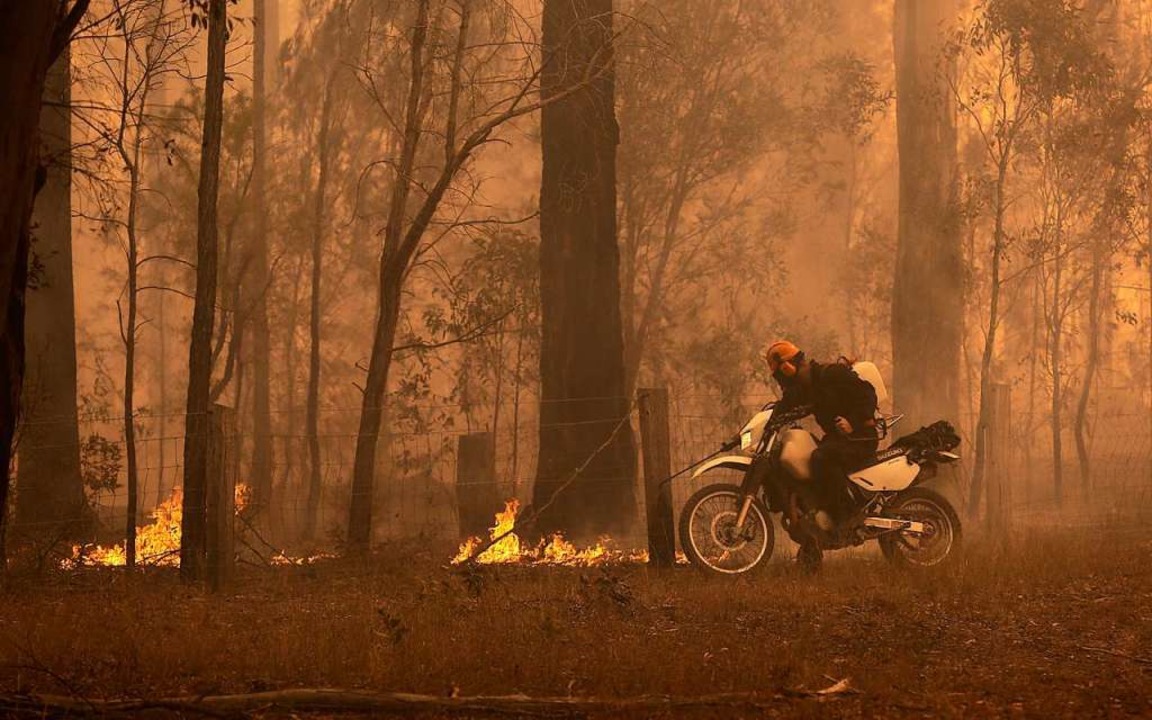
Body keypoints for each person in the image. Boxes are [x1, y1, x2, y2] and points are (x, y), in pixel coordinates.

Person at [764, 340, 879, 529]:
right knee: (802, 460)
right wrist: (762, 423)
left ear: (788, 368)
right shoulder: (807, 388)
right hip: (839, 440)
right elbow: (784, 406)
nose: (782, 382)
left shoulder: (832, 374)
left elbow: (868, 393)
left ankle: (846, 514)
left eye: (780, 375)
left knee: (821, 458)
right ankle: (814, 528)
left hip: (861, 437)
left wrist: (853, 421)